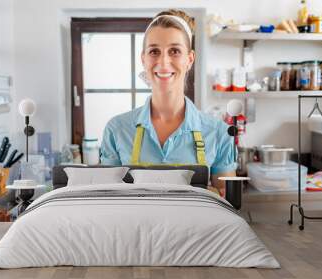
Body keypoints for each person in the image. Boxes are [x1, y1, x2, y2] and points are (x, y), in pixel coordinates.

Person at [100, 9, 236, 191]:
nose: (163, 62)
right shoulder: (116, 130)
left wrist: (215, 194)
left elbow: (227, 203)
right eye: (154, 51)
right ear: (143, 59)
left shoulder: (219, 133)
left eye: (174, 51)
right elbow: (106, 200)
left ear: (190, 59)